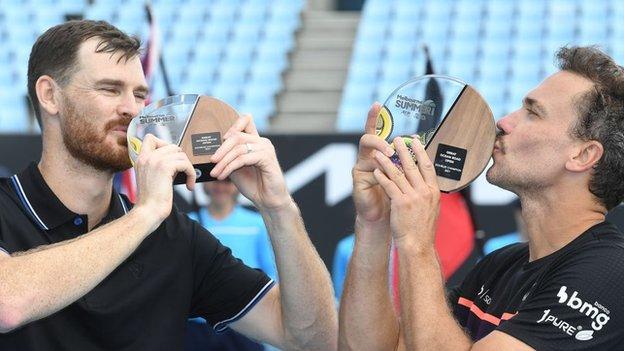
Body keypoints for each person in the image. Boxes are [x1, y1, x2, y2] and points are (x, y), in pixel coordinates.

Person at [0, 20, 337, 350]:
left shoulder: (175, 236)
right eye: (109, 89)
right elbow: (7, 304)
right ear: (49, 95)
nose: (132, 109)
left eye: (140, 94)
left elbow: (312, 339)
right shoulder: (9, 208)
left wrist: (279, 208)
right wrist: (144, 216)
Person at [339, 45, 624, 350]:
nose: (503, 122)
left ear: (583, 155)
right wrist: (374, 224)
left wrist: (416, 242)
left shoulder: (612, 271)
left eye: (532, 113)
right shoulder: (500, 265)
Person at [185, 180, 277, 351]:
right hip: (197, 328)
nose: (220, 187)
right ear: (204, 184)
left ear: (237, 185)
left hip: (245, 323)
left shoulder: (257, 224)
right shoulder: (188, 223)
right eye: (214, 181)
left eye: (227, 182)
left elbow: (272, 275)